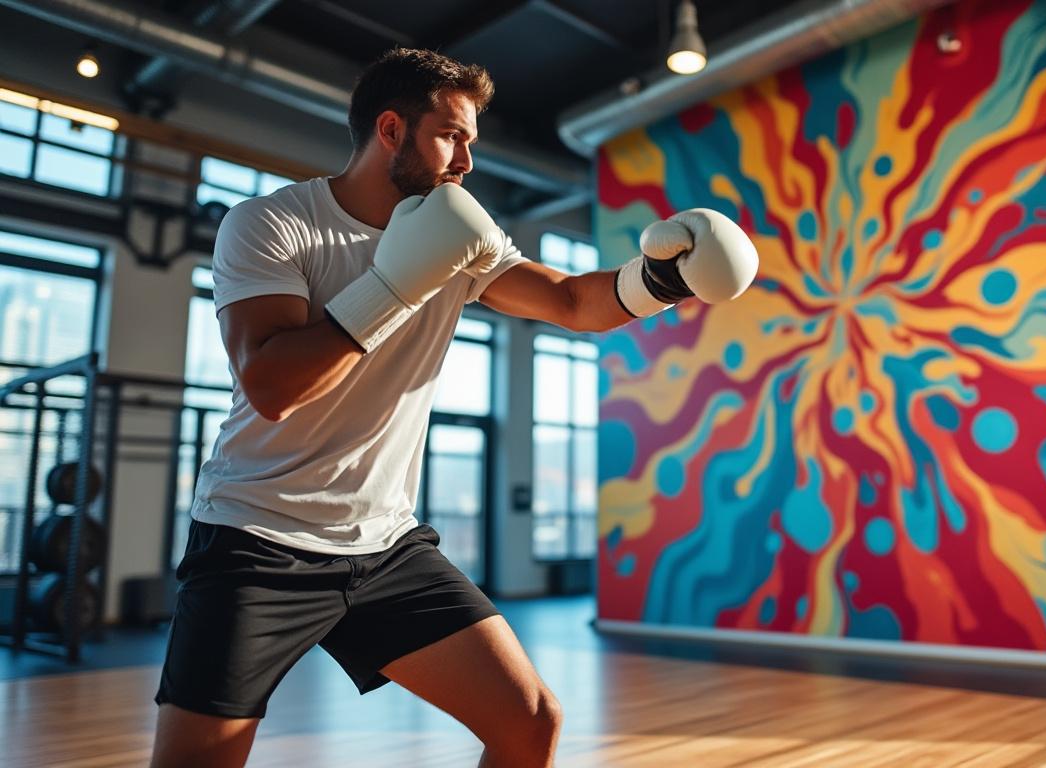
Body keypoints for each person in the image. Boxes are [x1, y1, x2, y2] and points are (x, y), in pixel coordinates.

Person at [149, 47, 757, 768]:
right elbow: (272, 385)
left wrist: (659, 279)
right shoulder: (274, 224)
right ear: (390, 130)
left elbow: (568, 302)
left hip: (383, 545)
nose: (467, 160)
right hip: (257, 542)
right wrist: (394, 283)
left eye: (473, 139)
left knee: (529, 722)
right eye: (451, 135)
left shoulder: (462, 236)